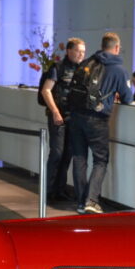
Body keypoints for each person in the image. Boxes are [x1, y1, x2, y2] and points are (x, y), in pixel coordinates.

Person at [68, 31, 132, 215]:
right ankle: (91, 201)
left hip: (76, 116)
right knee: (100, 160)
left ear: (102, 46)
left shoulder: (87, 63)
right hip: (97, 119)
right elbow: (128, 98)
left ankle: (81, 202)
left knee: (79, 158)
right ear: (117, 48)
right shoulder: (119, 70)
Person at [39, 38, 86, 201]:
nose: (81, 54)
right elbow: (46, 91)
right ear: (69, 51)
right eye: (78, 51)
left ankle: (60, 189)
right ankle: (48, 190)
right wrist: (55, 111)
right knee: (57, 153)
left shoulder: (84, 70)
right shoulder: (57, 68)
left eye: (83, 52)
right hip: (58, 117)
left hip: (75, 118)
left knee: (67, 154)